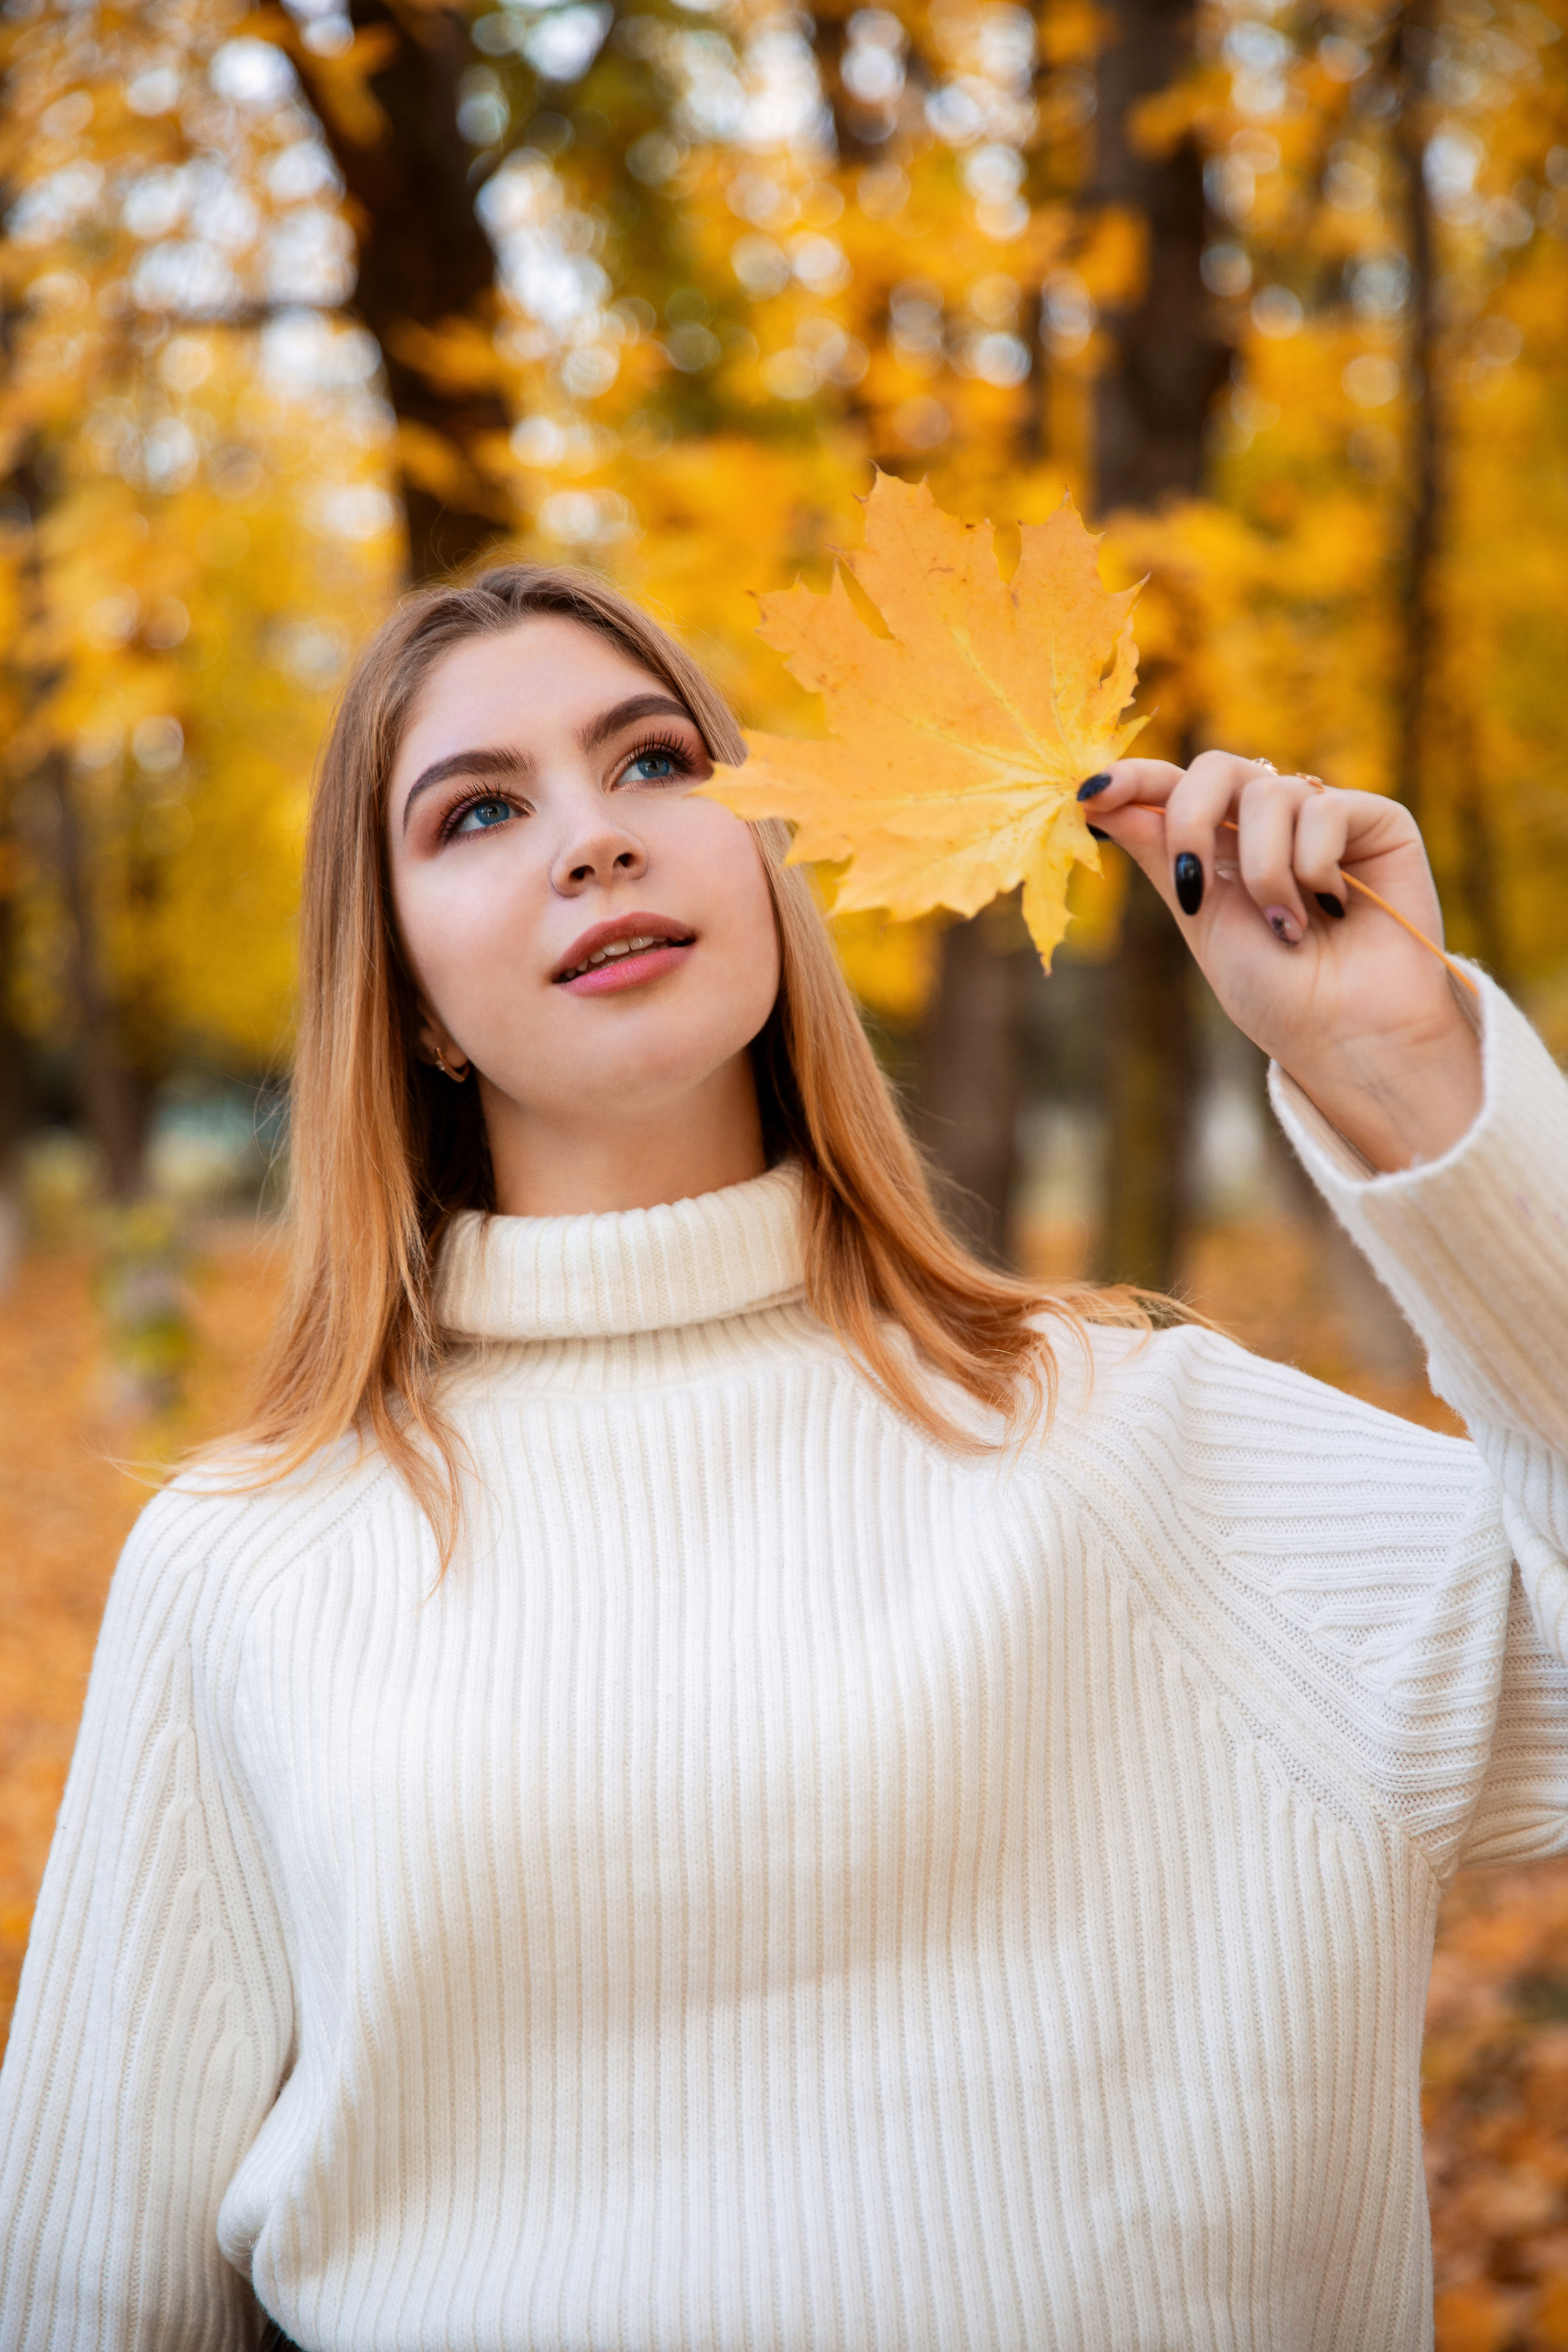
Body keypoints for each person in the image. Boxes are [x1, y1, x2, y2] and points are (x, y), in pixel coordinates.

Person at [1, 562, 1564, 2352]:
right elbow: (86, 2291)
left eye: (657, 765)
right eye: (482, 812)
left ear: (767, 865)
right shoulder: (249, 1567)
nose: (595, 840)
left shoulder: (1137, 1445)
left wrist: (1415, 1073)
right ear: (416, 1004)